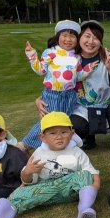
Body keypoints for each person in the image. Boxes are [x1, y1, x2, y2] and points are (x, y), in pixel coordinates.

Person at [0, 112, 100, 218]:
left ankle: (84, 210)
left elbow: (92, 174)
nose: (59, 137)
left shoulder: (77, 152)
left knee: (85, 175)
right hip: (45, 191)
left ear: (71, 134)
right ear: (42, 137)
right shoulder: (39, 153)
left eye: (63, 132)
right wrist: (28, 171)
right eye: (52, 133)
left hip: (71, 190)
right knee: (17, 194)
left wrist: (93, 189)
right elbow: (27, 180)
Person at [35, 20, 110, 153]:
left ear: (101, 41)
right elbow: (57, 83)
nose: (91, 41)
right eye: (87, 36)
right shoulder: (71, 59)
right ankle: (88, 136)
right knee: (76, 125)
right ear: (79, 38)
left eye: (96, 37)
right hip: (82, 106)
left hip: (107, 104)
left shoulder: (109, 58)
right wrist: (39, 99)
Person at [19, 20, 99, 151]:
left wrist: (88, 69)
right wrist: (32, 56)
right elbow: (41, 70)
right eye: (64, 35)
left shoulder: (76, 57)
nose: (68, 39)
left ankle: (58, 146)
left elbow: (77, 76)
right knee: (48, 120)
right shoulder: (50, 53)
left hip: (69, 96)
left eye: (72, 36)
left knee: (62, 122)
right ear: (58, 37)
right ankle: (25, 144)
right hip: (53, 94)